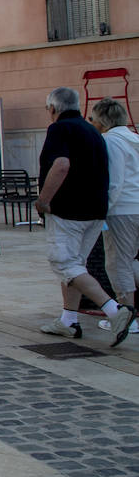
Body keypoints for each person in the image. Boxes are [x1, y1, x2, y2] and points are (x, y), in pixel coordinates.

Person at [35, 87, 133, 345]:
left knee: (64, 263)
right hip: (95, 212)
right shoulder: (94, 131)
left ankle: (116, 311)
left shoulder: (60, 129)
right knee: (76, 264)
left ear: (53, 109)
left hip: (69, 211)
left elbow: (61, 165)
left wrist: (43, 200)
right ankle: (69, 320)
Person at [91, 98, 139, 336]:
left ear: (102, 120)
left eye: (93, 118)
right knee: (131, 260)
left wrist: (103, 211)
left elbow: (115, 181)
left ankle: (128, 315)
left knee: (117, 262)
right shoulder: (134, 138)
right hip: (137, 206)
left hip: (122, 209)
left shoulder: (110, 141)